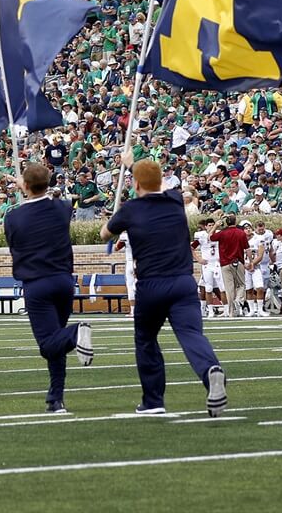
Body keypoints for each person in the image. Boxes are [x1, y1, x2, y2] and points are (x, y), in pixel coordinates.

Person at [103, 157, 226, 417]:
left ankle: (153, 400)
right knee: (192, 334)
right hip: (183, 282)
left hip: (151, 285)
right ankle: (209, 370)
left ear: (135, 184)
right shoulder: (173, 200)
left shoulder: (131, 209)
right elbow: (155, 182)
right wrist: (133, 164)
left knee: (146, 340)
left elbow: (105, 234)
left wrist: (126, 175)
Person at [4, 163, 93, 414]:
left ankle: (77, 333)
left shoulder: (13, 217)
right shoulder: (62, 208)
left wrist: (24, 190)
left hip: (37, 283)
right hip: (63, 280)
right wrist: (31, 185)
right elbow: (52, 197)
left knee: (47, 344)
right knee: (56, 340)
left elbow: (14, 244)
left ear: (26, 186)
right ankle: (56, 398)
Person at [210, 215, 250, 318]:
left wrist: (215, 226)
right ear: (235, 222)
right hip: (238, 261)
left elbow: (210, 236)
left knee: (229, 289)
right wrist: (251, 261)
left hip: (225, 263)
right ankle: (238, 300)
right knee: (241, 284)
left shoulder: (222, 233)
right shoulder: (241, 233)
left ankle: (231, 312)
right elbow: (247, 249)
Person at [191, 219, 226, 318]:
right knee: (208, 288)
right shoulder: (202, 236)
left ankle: (226, 309)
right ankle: (210, 310)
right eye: (209, 225)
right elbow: (191, 247)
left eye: (212, 225)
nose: (211, 226)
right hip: (207, 264)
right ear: (205, 226)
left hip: (217, 263)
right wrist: (198, 259)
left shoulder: (219, 234)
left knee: (222, 287)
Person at [243, 221, 271, 317]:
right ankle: (251, 310)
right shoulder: (240, 239)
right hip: (245, 267)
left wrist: (252, 264)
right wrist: (244, 265)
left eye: (249, 227)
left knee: (259, 288)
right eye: (246, 228)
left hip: (256, 267)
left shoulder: (258, 238)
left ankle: (260, 309)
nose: (248, 229)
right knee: (249, 289)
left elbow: (260, 254)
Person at [113, 232, 136, 317]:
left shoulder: (124, 235)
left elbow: (116, 247)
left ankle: (133, 311)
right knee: (139, 286)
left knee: (131, 287)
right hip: (140, 261)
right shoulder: (143, 231)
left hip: (130, 262)